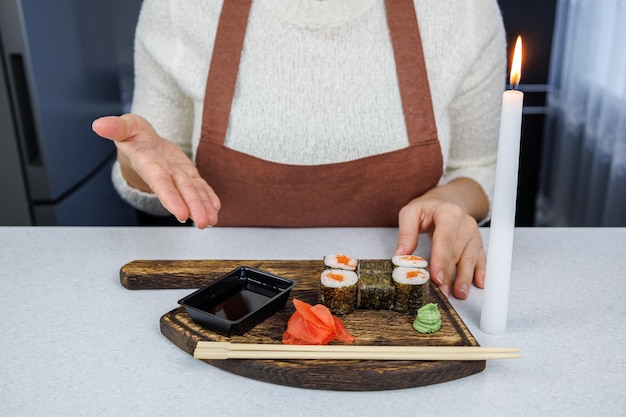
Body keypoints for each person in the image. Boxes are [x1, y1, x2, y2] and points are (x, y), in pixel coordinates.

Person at [92, 0, 506, 300]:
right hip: (226, 293)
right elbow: (154, 178)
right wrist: (134, 164)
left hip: (408, 292)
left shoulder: (464, 10)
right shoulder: (177, 8)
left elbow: (481, 166)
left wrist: (450, 200)